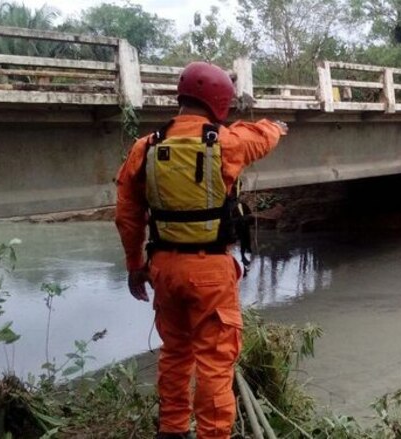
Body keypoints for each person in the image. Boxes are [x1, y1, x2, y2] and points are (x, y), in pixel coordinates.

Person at [115, 61, 287, 439]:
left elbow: (128, 216)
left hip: (163, 268)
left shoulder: (145, 146)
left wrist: (134, 265)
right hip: (210, 272)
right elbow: (261, 137)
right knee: (214, 363)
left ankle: (173, 430)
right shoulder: (227, 143)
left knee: (175, 354)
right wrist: (277, 125)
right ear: (219, 101)